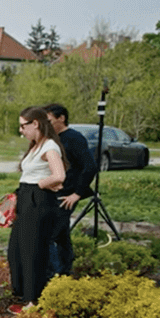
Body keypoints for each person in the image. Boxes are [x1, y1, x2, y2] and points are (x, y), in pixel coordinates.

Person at [8, 107, 68, 310]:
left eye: (23, 126)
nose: (21, 131)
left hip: (38, 201)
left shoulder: (50, 146)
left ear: (36, 124)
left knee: (32, 251)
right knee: (16, 249)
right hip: (27, 198)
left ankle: (33, 301)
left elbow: (59, 175)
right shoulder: (36, 146)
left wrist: (41, 185)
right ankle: (25, 296)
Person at [44, 103, 96, 276]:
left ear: (61, 118)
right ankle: (66, 269)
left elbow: (89, 167)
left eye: (49, 120)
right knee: (61, 234)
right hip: (52, 193)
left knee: (50, 234)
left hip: (67, 194)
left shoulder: (74, 138)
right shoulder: (49, 139)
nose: (46, 124)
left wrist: (77, 194)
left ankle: (54, 275)